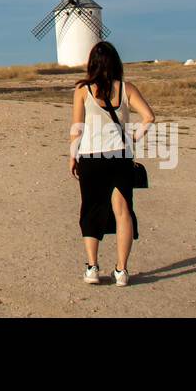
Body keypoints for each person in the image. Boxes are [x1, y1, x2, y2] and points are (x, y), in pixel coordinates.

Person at [69, 41, 155, 286]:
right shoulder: (127, 89)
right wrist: (133, 139)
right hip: (120, 156)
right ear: (116, 62)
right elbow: (149, 117)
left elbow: (77, 128)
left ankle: (92, 268)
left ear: (92, 64)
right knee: (123, 211)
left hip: (91, 157)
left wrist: (72, 156)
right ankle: (121, 271)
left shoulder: (83, 90)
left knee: (91, 209)